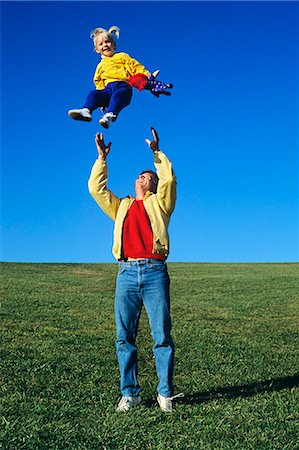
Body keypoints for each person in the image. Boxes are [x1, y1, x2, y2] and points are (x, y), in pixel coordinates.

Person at [88, 128, 182, 412]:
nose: (143, 178)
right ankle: (130, 393)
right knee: (124, 335)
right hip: (126, 273)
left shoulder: (160, 204)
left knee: (161, 335)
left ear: (153, 185)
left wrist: (157, 154)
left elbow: (169, 180)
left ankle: (165, 393)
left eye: (148, 177)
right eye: (141, 175)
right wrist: (102, 159)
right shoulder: (122, 207)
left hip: (154, 271)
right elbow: (96, 189)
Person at [68, 26, 173, 129]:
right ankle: (86, 110)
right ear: (97, 49)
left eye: (108, 42)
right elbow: (98, 81)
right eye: (101, 44)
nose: (105, 45)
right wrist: (100, 100)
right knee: (93, 94)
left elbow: (134, 66)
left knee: (117, 97)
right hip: (108, 89)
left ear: (114, 45)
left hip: (123, 86)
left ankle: (109, 116)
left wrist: (146, 74)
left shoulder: (121, 56)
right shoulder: (100, 65)